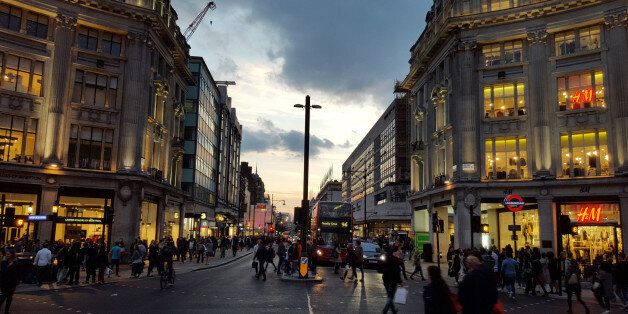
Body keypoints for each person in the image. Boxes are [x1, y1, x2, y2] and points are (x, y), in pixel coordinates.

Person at [381, 246, 402, 314]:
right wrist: (400, 281)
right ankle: (385, 310)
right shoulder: (395, 259)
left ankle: (393, 310)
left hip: (386, 279)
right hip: (393, 280)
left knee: (390, 295)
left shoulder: (384, 258)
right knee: (391, 296)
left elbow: (379, 268)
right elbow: (397, 270)